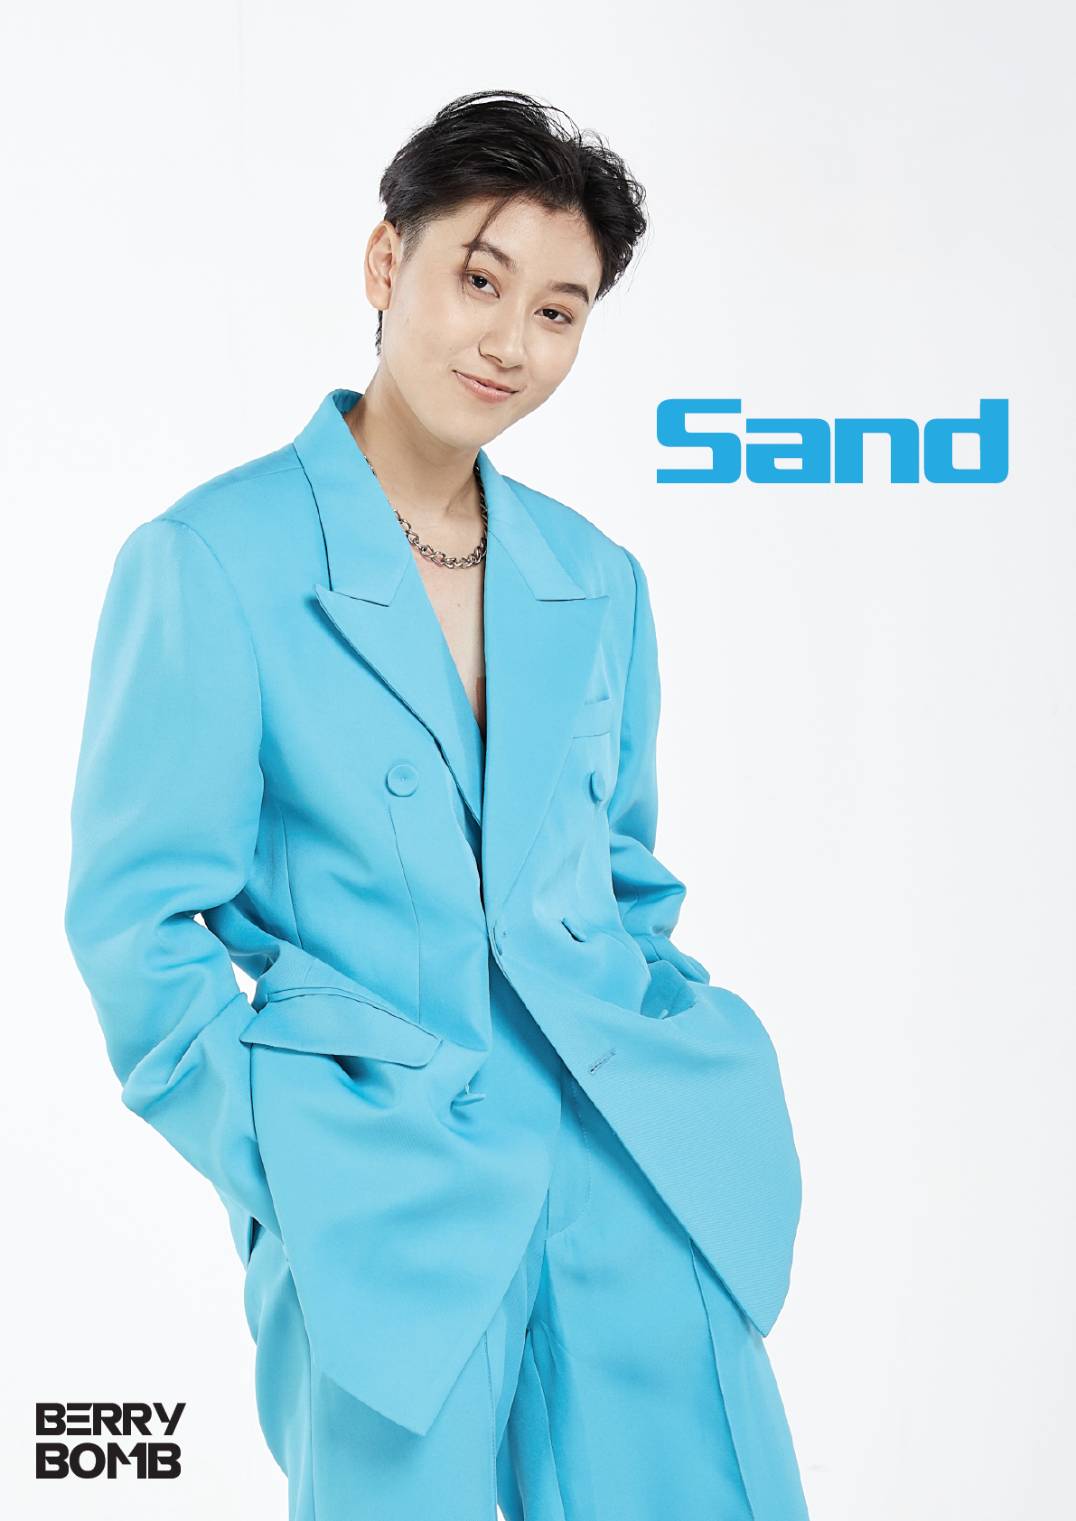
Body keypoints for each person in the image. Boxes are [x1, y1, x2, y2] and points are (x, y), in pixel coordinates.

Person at [65, 89, 810, 1519]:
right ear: (384, 263)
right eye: (481, 279)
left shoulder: (597, 580)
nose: (510, 342)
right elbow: (136, 926)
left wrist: (675, 1047)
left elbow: (621, 881)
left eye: (558, 311)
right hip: (384, 1198)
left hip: (628, 1169)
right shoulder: (211, 560)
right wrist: (299, 1153)